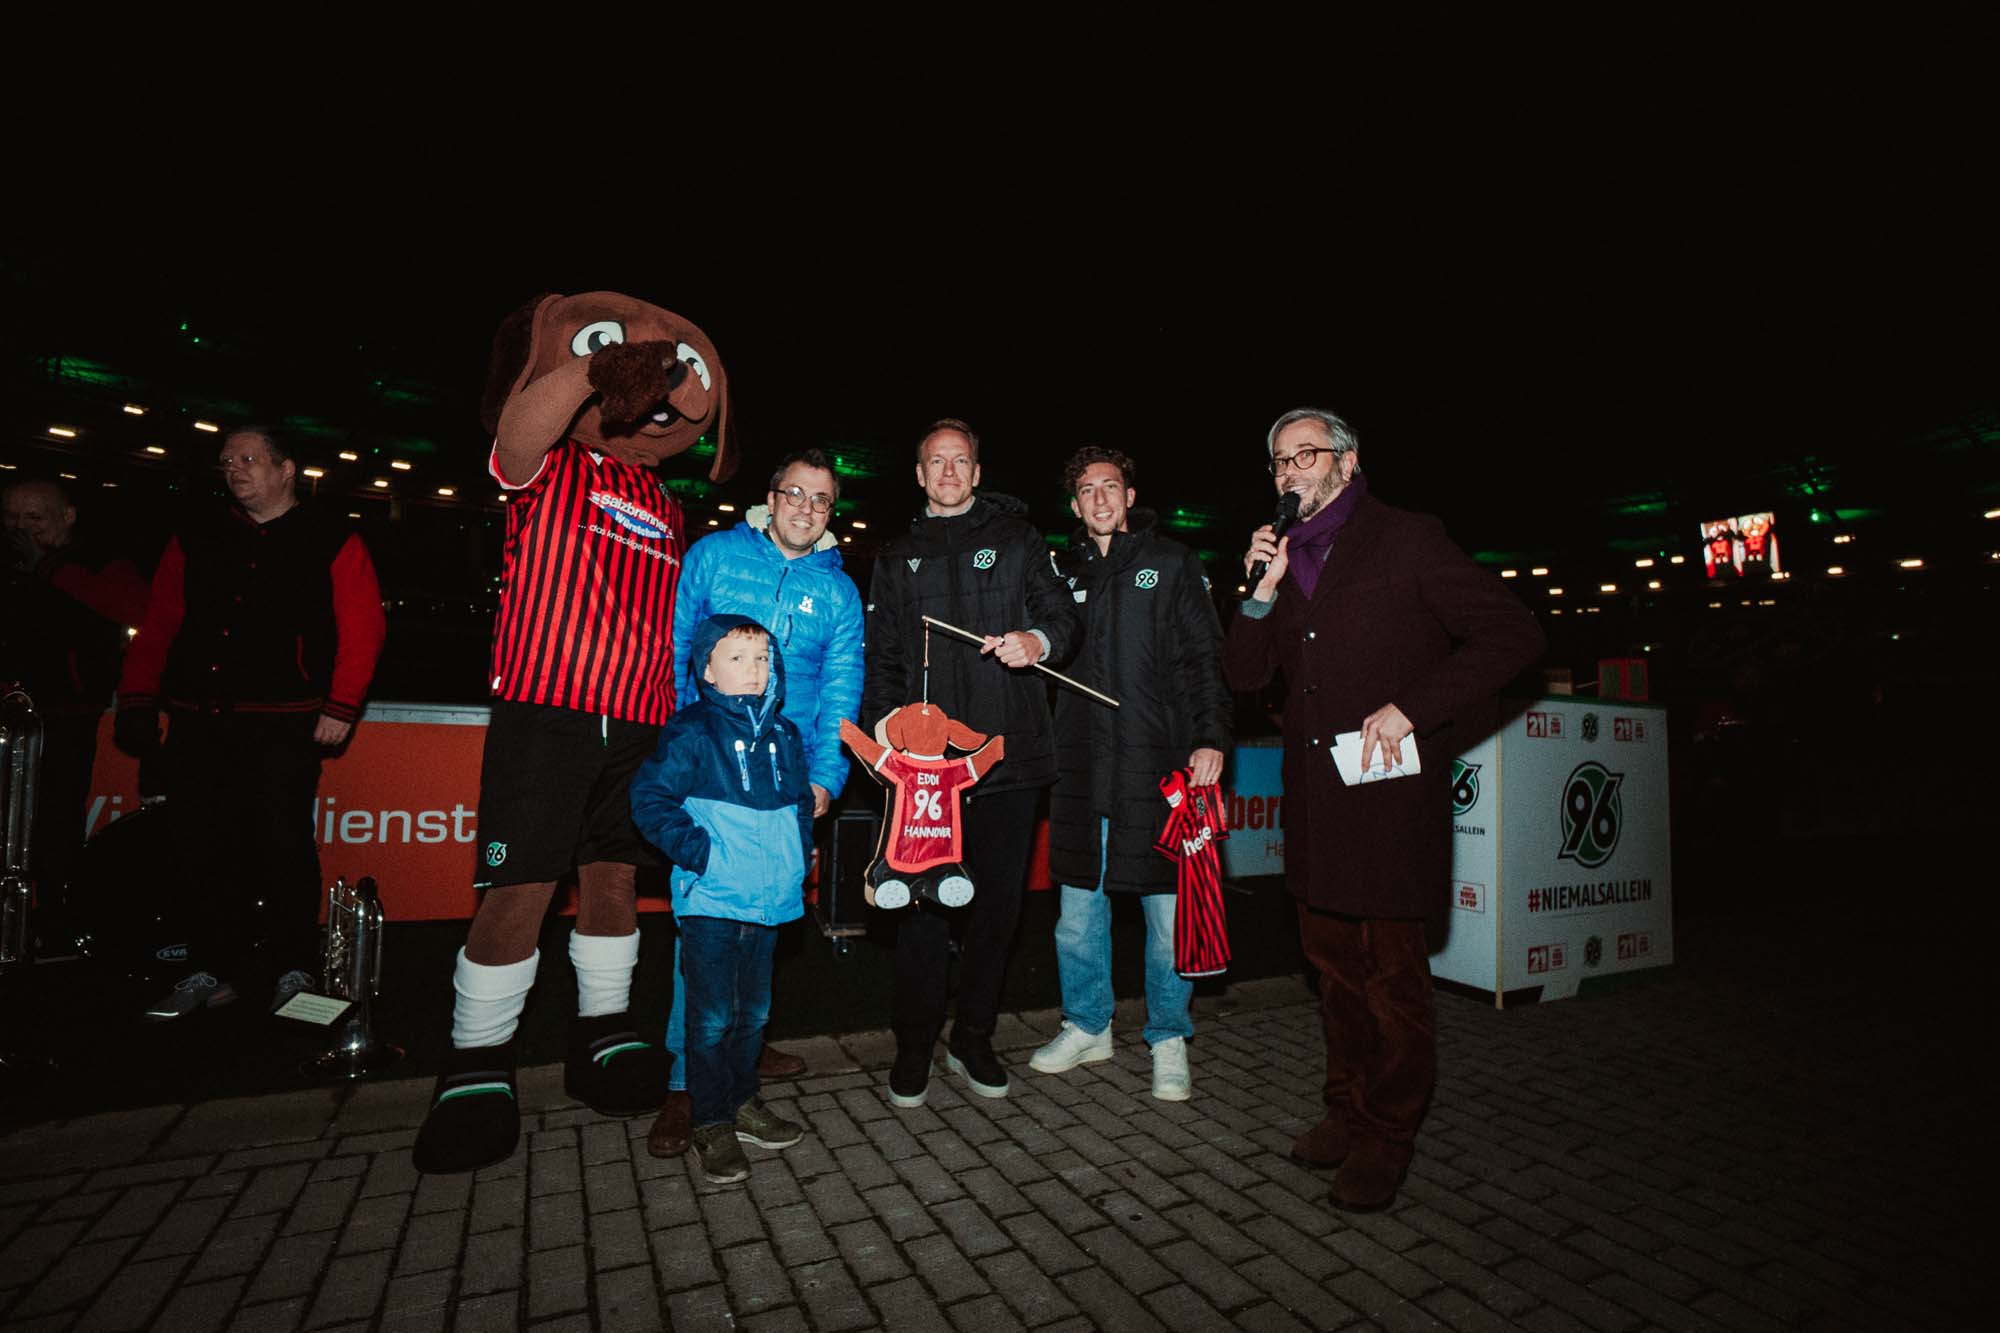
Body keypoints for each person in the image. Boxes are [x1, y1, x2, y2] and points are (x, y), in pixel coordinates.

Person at [412, 291, 732, 1176]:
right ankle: (477, 1057)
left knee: (614, 874)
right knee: (521, 882)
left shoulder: (668, 506)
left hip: (639, 716)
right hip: (548, 707)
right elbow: (514, 437)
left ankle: (602, 1031)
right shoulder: (550, 465)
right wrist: (597, 368)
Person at [1224, 407, 1543, 1213]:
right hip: (1317, 800)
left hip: (1391, 798)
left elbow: (1512, 634)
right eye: (1278, 462)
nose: (1290, 471)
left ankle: (1388, 1134)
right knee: (1332, 975)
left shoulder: (1406, 538)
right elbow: (1240, 675)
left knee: (1393, 980)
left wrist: (1413, 706)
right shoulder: (1283, 555)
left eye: (1307, 454)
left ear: (1349, 460)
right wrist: (1259, 592)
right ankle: (1346, 1109)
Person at [114, 426, 386, 1018]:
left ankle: (294, 969)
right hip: (199, 721)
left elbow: (362, 627)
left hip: (283, 725)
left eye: (249, 459)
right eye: (227, 460)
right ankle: (210, 968)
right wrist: (138, 699)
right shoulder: (196, 536)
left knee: (282, 846)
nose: (235, 469)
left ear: (286, 470)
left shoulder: (331, 538)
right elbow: (159, 622)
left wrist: (342, 705)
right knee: (199, 847)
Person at [648, 448, 864, 1157]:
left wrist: (826, 778)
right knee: (707, 930)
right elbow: (675, 646)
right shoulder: (714, 555)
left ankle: (739, 1068)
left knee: (759, 931)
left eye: (821, 499)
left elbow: (840, 686)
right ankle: (688, 1089)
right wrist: (685, 747)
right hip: (712, 770)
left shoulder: (837, 591)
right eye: (795, 493)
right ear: (770, 498)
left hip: (784, 778)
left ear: (832, 512)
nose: (806, 507)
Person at [861, 418, 1079, 1105]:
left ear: (977, 473)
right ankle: (915, 1045)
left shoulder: (1017, 539)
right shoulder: (896, 555)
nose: (949, 472)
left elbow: (1064, 619)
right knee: (925, 911)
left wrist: (1036, 640)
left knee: (996, 912)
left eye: (961, 461)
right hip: (929, 775)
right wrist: (889, 734)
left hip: (1009, 761)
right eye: (936, 461)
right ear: (920, 476)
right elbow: (885, 660)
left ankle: (974, 1038)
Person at [1029, 447, 1232, 1101]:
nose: (1098, 498)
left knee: (1168, 916)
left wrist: (1209, 738)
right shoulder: (1059, 573)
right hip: (1083, 771)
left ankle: (1169, 1035)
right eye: (1086, 489)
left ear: (1130, 493)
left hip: (1158, 767)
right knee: (1075, 916)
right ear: (1075, 504)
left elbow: (1206, 658)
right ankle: (1088, 1023)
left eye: (1109, 486)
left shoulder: (1170, 562)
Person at [629, 616, 812, 1184]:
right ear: (707, 669)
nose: (754, 670)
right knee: (709, 1019)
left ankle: (742, 1103)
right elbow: (650, 799)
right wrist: (702, 855)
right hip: (712, 900)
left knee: (752, 1014)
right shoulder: (692, 732)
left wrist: (796, 860)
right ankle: (709, 1120)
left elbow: (801, 805)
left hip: (770, 902)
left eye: (762, 659)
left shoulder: (784, 735)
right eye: (737, 658)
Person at [1, 478, 149, 934]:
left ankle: (54, 918)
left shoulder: (98, 561)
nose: (20, 529)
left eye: (34, 518)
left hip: (66, 716)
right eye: (11, 517)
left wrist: (46, 568)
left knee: (55, 821)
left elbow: (134, 609)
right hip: (10, 714)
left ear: (67, 516)